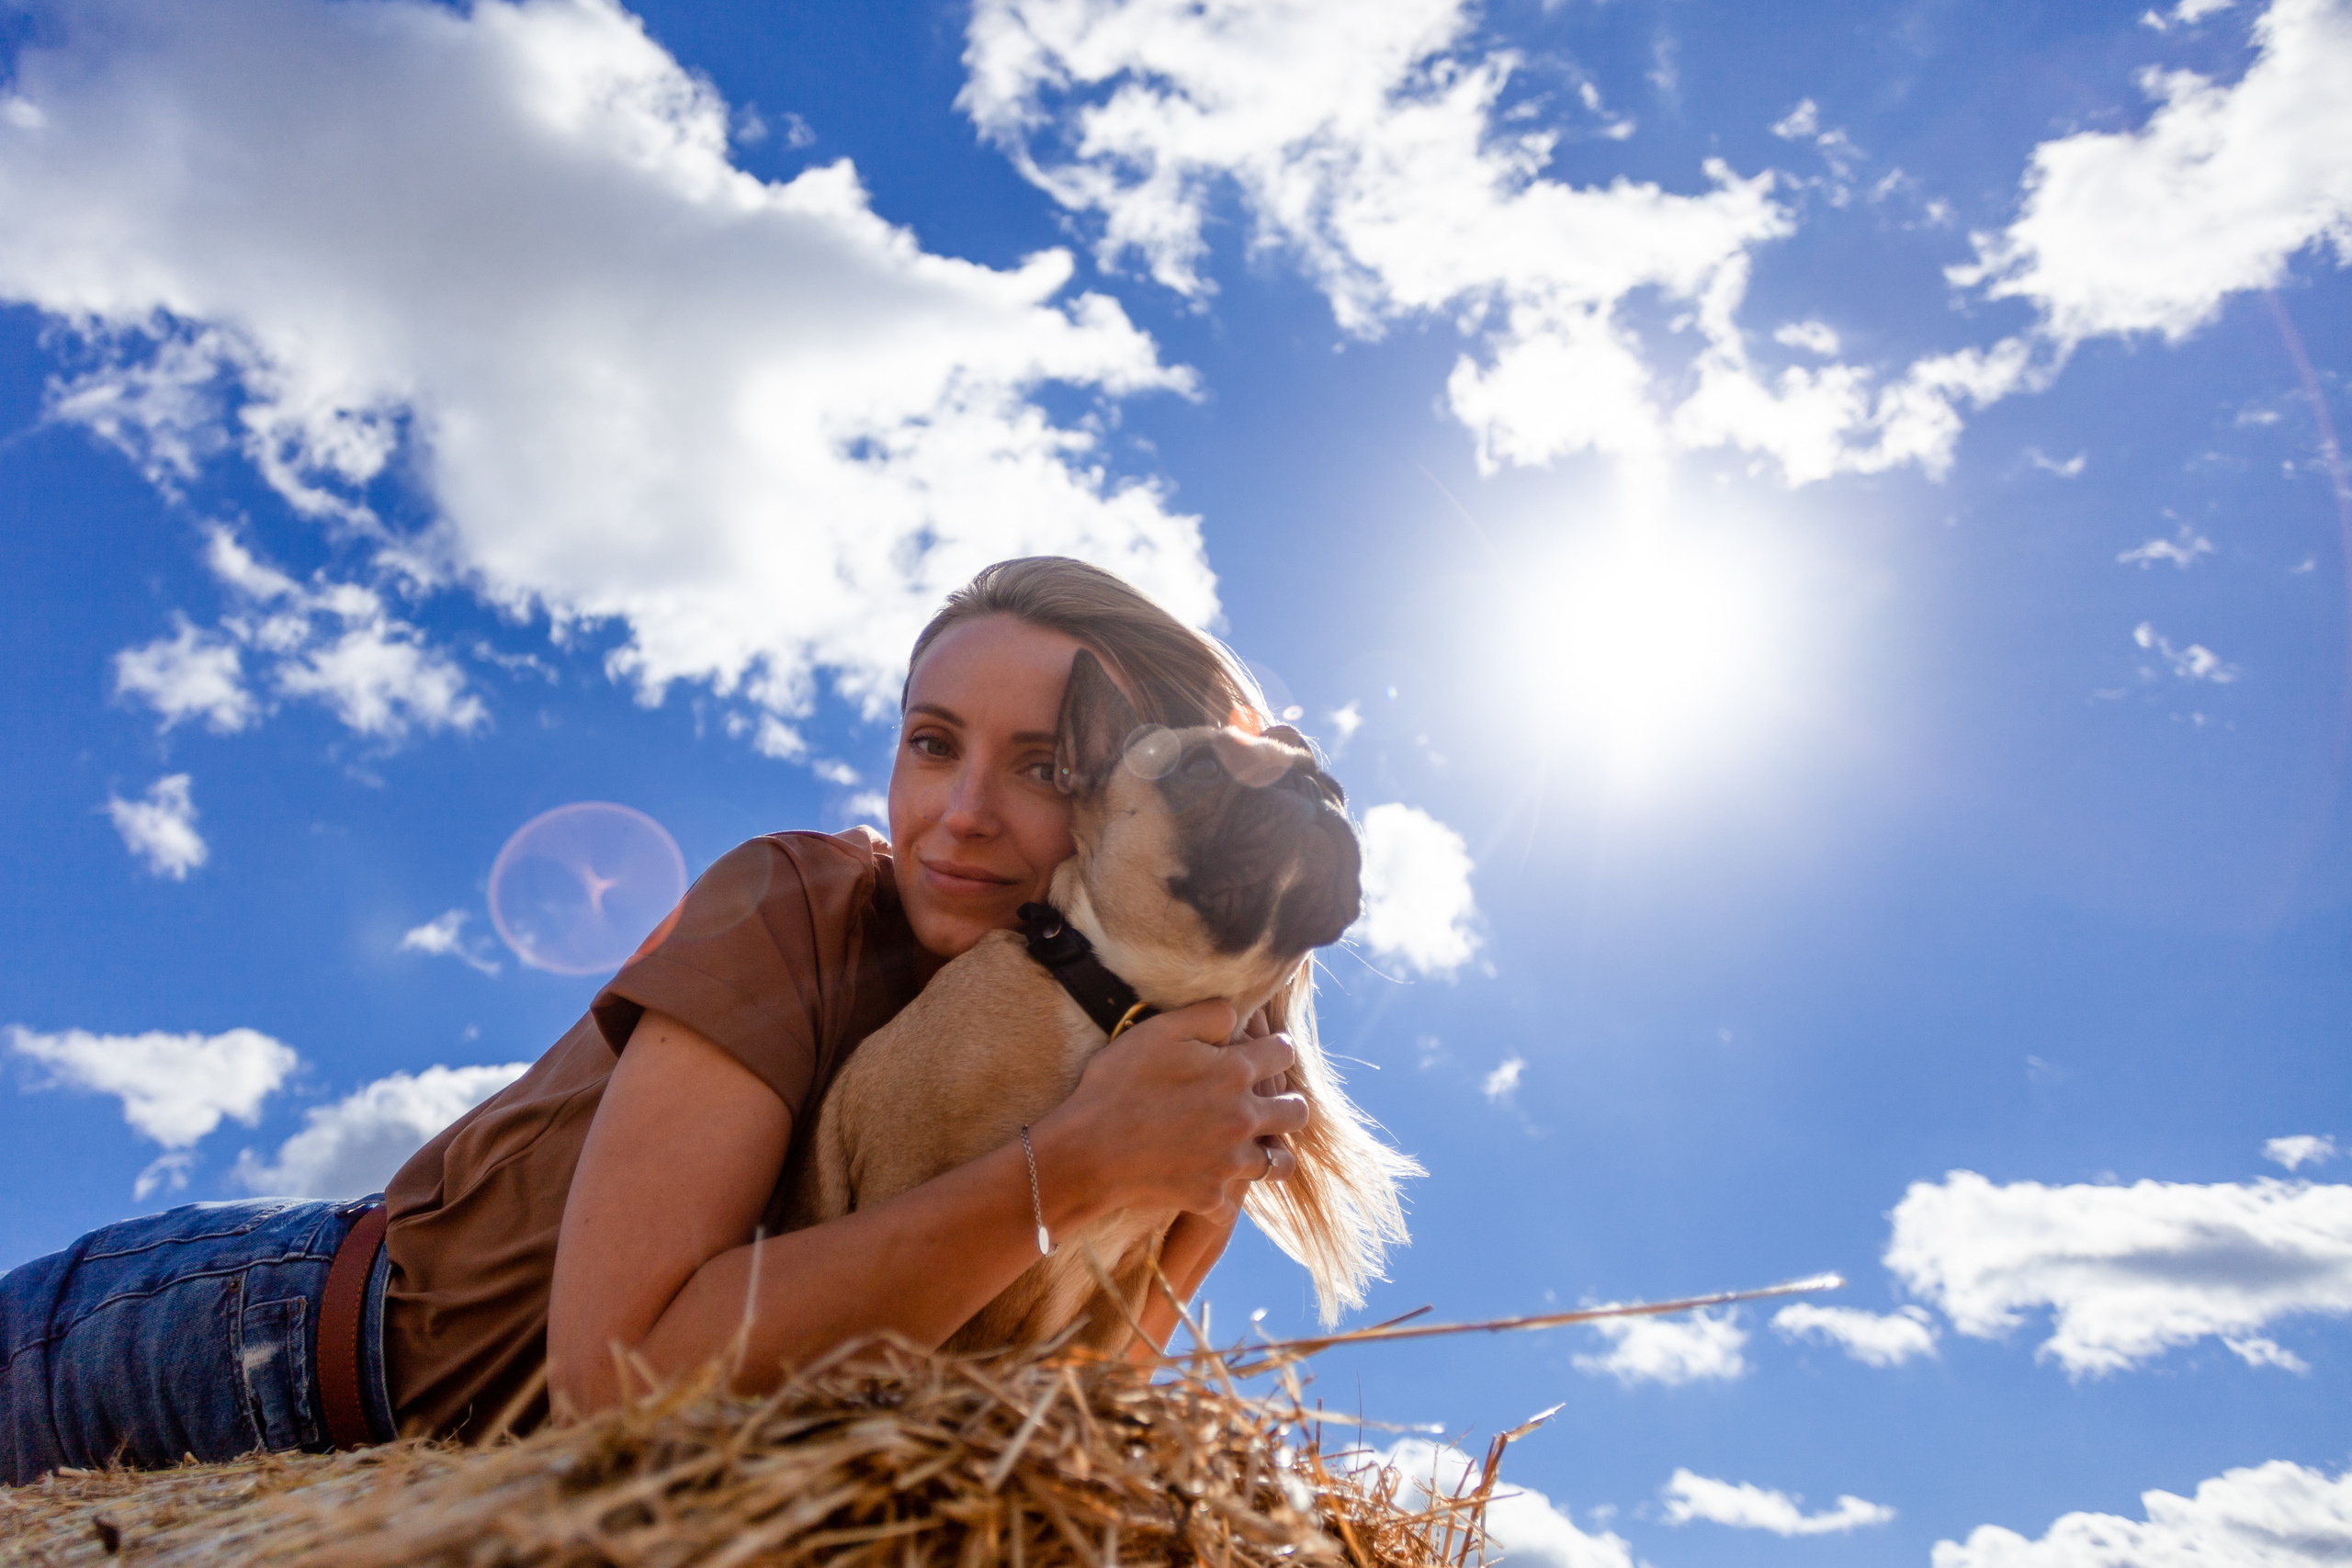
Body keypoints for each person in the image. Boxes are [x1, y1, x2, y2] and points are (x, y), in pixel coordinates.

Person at [0, 557, 1408, 1483]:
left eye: (1039, 765)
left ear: (1132, 801)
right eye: (932, 744)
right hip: (250, 1358)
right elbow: (621, 1385)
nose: (961, 812)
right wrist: (1070, 1173)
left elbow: (1009, 1444)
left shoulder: (1194, 1110)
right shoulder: (797, 895)